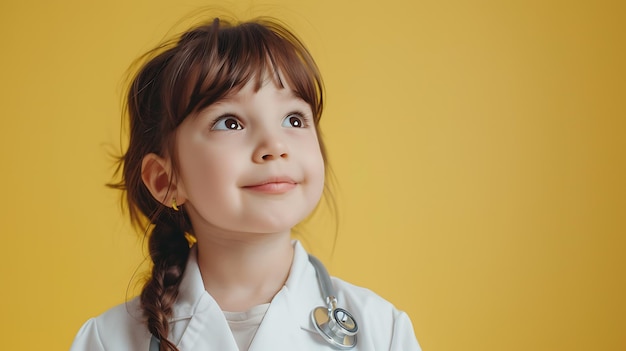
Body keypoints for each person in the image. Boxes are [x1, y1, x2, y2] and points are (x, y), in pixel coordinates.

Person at [70, 16, 421, 351]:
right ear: (166, 180)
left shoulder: (382, 331)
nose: (275, 146)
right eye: (230, 123)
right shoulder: (108, 340)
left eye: (294, 119)